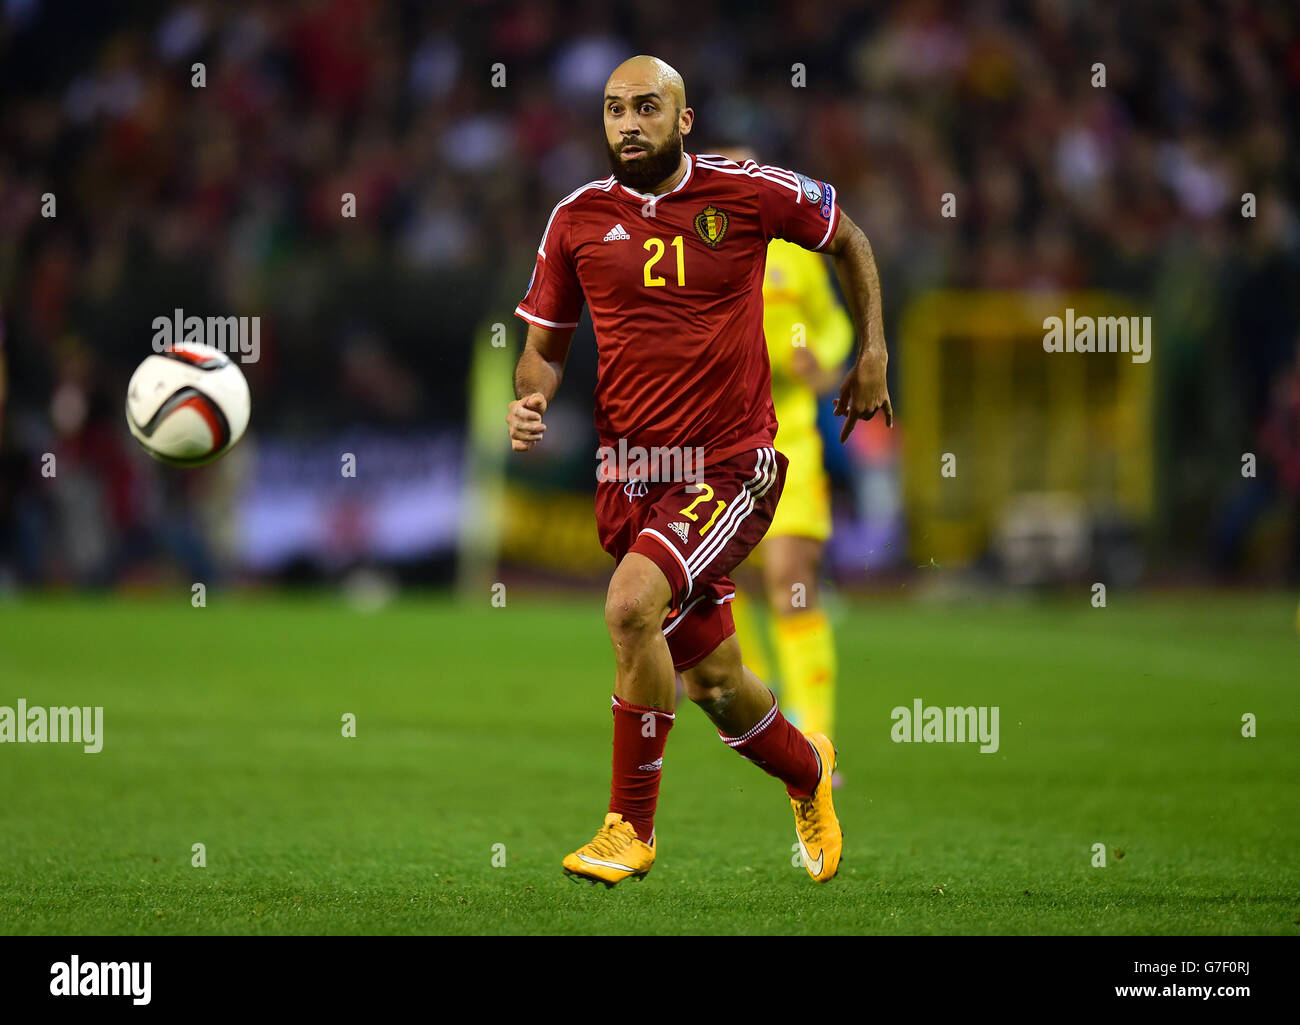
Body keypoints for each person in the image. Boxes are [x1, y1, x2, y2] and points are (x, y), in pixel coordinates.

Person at [507, 56, 891, 886]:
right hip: (630, 472)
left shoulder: (746, 193)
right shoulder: (577, 218)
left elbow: (850, 237)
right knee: (716, 680)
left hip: (729, 460)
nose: (628, 123)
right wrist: (530, 398)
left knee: (628, 606)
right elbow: (544, 343)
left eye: (648, 107)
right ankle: (808, 771)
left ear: (684, 120)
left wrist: (873, 351)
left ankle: (627, 829)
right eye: (615, 109)